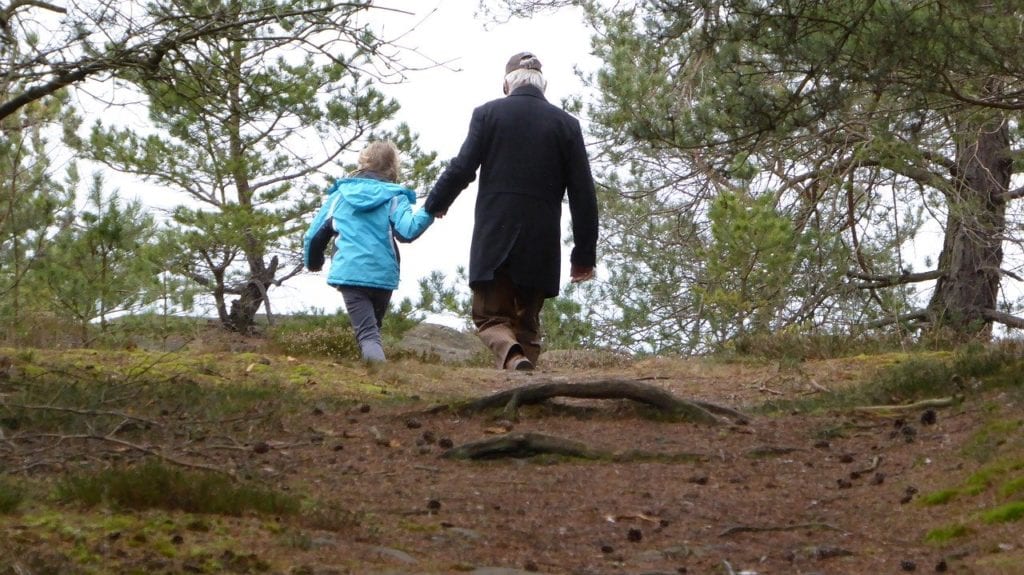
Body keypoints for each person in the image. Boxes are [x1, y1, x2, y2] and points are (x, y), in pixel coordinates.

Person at [424, 51, 599, 371]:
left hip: (497, 234)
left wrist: (435, 204)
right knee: (528, 323)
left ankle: (513, 357)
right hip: (541, 240)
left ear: (506, 84)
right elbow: (583, 194)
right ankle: (525, 389)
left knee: (489, 317)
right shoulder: (567, 125)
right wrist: (584, 255)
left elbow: (462, 168)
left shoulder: (488, 115)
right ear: (543, 85)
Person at [304, 140, 434, 362]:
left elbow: (314, 235)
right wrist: (430, 210)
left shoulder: (340, 197)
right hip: (382, 275)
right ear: (393, 167)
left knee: (367, 334)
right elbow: (408, 231)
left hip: (350, 273)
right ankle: (372, 376)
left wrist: (314, 262)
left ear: (363, 162)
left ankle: (380, 379)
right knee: (372, 332)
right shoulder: (394, 197)